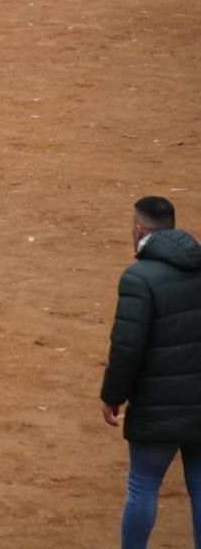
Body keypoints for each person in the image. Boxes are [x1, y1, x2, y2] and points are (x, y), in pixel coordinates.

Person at [101, 195, 201, 549]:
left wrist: (113, 395)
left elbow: (127, 347)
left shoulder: (139, 277)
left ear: (140, 230)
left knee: (143, 486)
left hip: (156, 407)